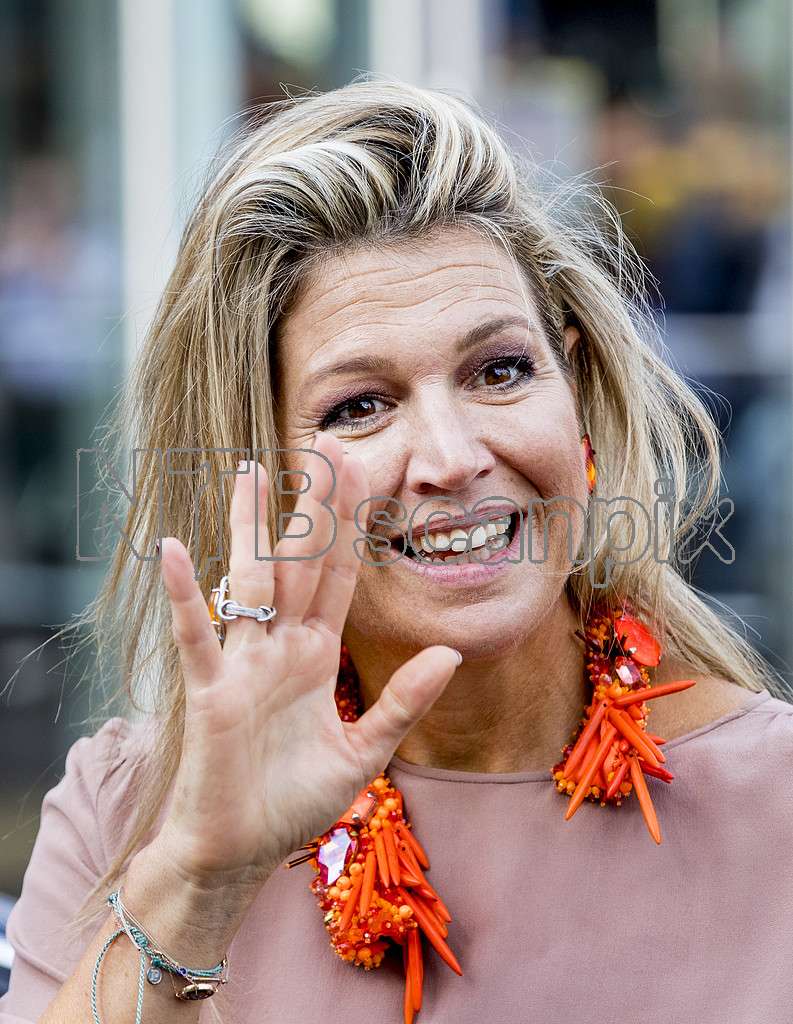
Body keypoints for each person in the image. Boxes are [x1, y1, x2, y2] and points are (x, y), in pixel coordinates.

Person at [1, 80, 791, 1024]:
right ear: (263, 478)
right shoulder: (125, 815)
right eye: (360, 406)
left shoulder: (775, 801)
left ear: (575, 389)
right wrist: (200, 884)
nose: (452, 458)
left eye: (499, 371)